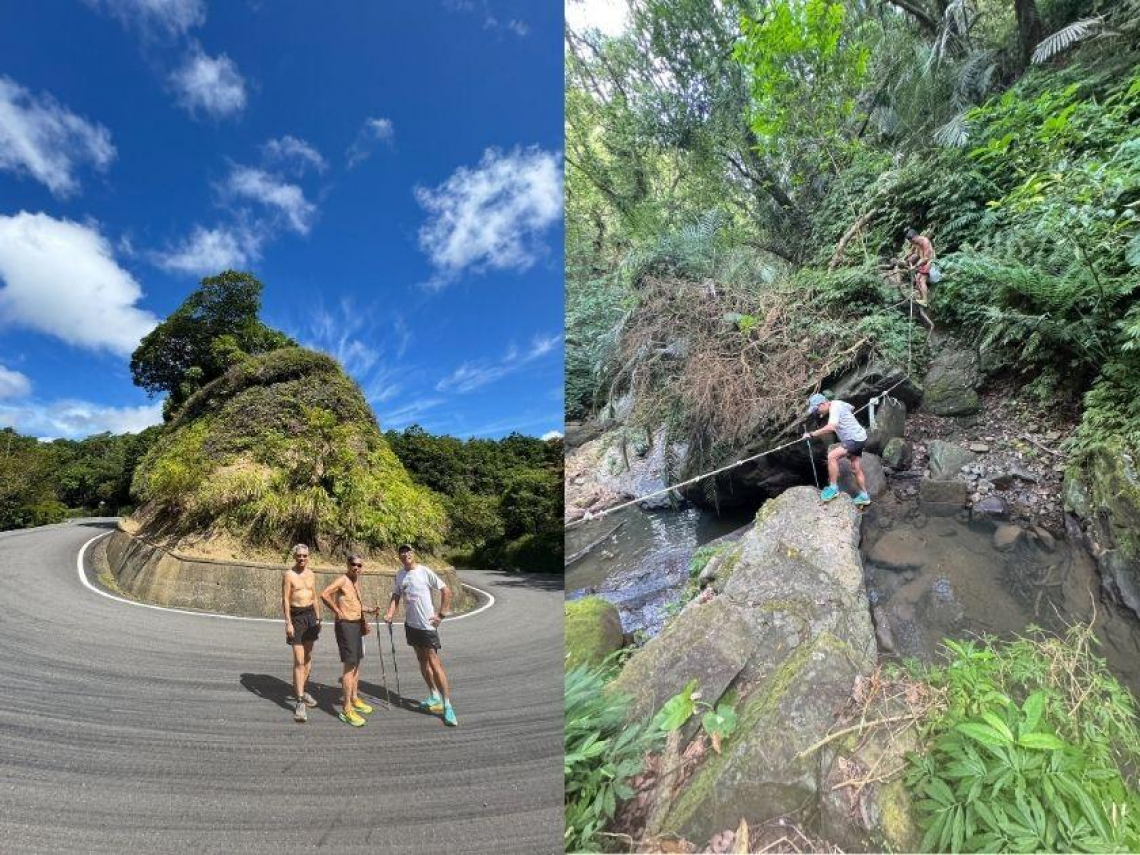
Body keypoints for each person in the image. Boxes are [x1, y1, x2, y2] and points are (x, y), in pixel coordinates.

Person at [384, 544, 457, 727]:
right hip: (411, 625)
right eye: (402, 552)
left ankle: (447, 705)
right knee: (421, 660)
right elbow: (396, 595)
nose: (405, 554)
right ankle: (434, 696)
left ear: (413, 554)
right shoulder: (400, 574)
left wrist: (441, 614)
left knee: (434, 662)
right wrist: (390, 613)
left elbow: (446, 590)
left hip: (426, 626)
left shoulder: (424, 571)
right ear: (399, 557)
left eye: (408, 551)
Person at [321, 554, 374, 727]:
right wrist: (337, 611)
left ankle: (354, 698)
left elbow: (355, 604)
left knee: (357, 663)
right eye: (353, 564)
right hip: (346, 626)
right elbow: (324, 594)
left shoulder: (355, 581)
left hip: (356, 625)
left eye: (359, 565)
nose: (356, 567)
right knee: (349, 666)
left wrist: (369, 611)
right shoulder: (342, 580)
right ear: (348, 565)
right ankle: (346, 709)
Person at [803, 393, 871, 506]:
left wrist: (811, 434)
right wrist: (846, 418)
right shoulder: (837, 403)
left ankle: (833, 488)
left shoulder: (835, 408)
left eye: (816, 409)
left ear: (822, 404)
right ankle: (864, 496)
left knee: (832, 456)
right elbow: (851, 407)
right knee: (855, 467)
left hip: (854, 439)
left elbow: (831, 427)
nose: (816, 412)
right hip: (860, 436)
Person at [282, 543, 321, 723]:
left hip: (310, 616)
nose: (302, 558)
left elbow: (314, 596)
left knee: (307, 657)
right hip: (296, 617)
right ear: (294, 557)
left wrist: (318, 618)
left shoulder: (311, 574)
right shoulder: (289, 575)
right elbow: (285, 600)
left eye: (305, 556)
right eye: (299, 556)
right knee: (299, 660)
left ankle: (303, 691)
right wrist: (288, 623)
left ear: (308, 557)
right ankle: (299, 702)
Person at [905, 227, 935, 306]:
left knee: (922, 280)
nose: (912, 243)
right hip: (922, 262)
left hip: (929, 262)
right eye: (911, 242)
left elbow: (926, 258)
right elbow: (912, 251)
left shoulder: (925, 242)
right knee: (917, 280)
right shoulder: (916, 242)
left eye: (912, 241)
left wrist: (915, 266)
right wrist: (907, 257)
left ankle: (925, 301)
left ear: (915, 236)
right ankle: (922, 298)